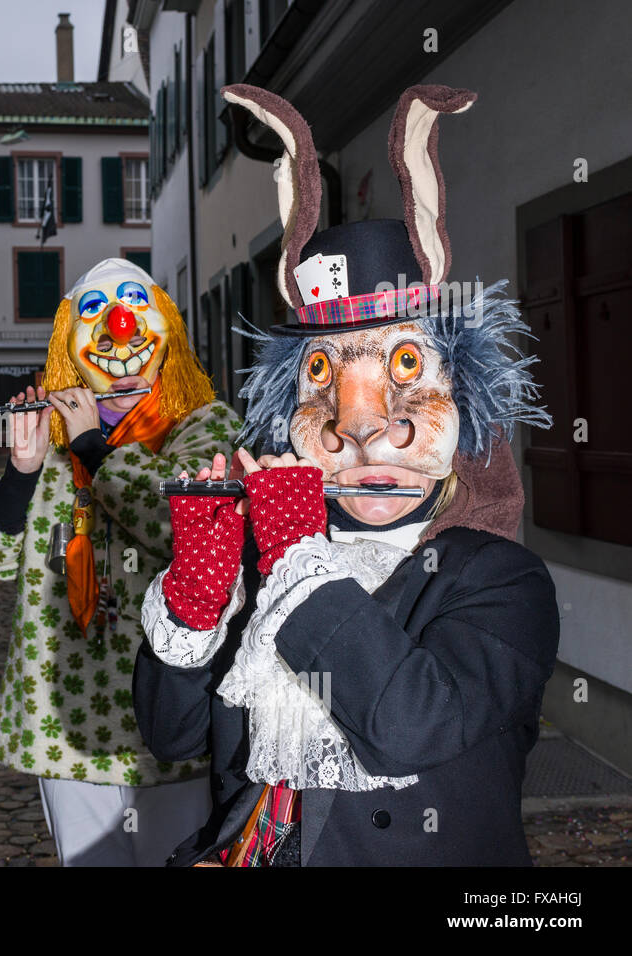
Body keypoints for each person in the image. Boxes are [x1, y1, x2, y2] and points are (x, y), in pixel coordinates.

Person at [135, 84, 558, 865]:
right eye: (322, 376)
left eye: (404, 367)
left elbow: (410, 725)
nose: (358, 423)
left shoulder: (503, 582)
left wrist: (298, 558)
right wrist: (201, 594)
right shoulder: (271, 568)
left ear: (464, 408)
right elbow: (173, 736)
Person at [0, 258, 239, 865]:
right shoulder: (56, 446)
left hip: (169, 721)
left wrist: (94, 443)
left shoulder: (203, 427)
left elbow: (175, 528)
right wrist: (23, 470)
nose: (118, 327)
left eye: (136, 309)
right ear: (70, 346)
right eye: (95, 314)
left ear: (167, 333)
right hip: (66, 726)